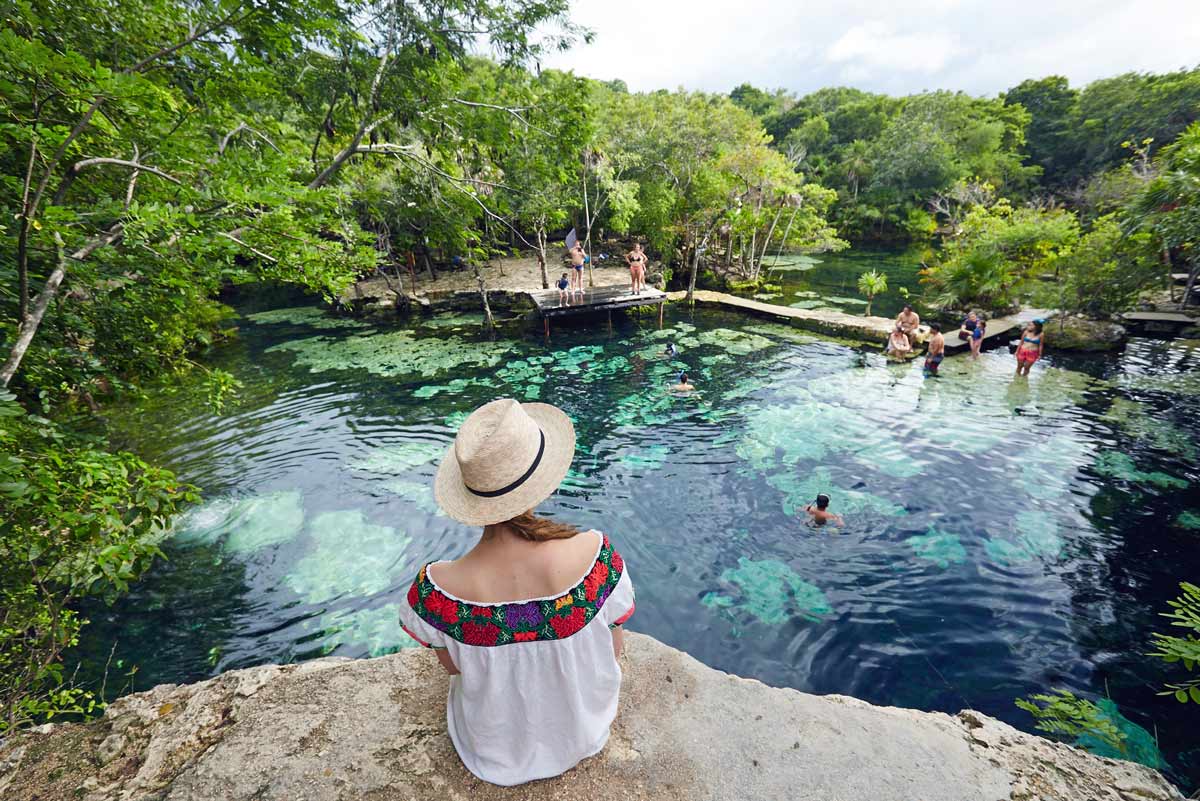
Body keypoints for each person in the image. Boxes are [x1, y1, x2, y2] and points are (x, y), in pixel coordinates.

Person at [398, 399, 635, 787]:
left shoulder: (435, 592)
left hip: (492, 752)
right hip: (583, 732)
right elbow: (613, 650)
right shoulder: (596, 557)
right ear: (541, 480)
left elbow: (455, 669)